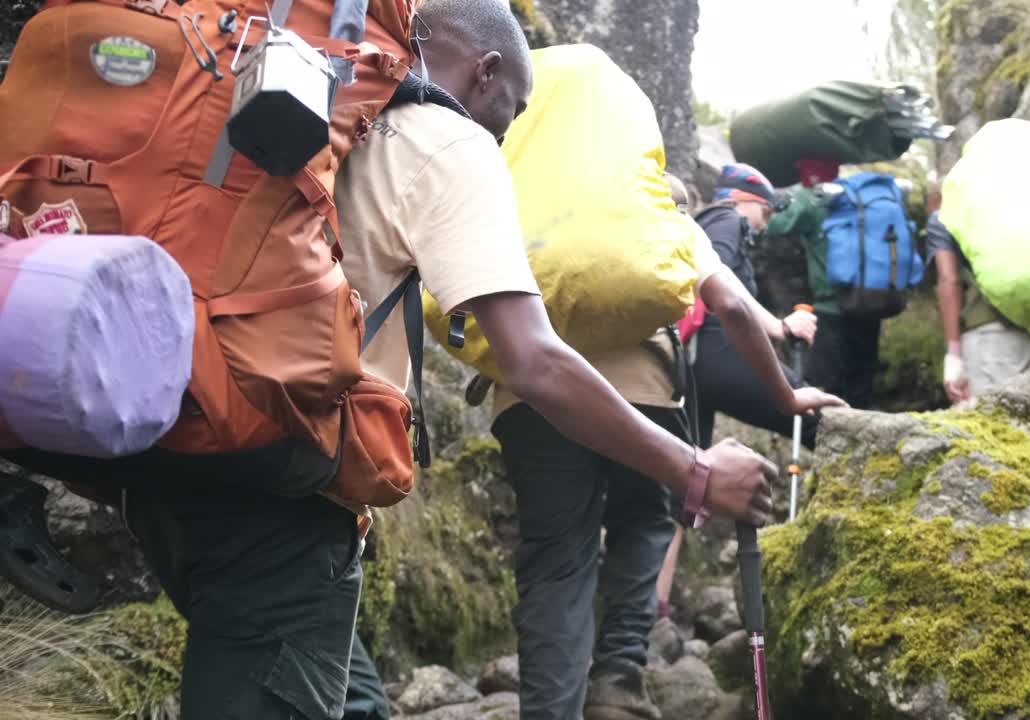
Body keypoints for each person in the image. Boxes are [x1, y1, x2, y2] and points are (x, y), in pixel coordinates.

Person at [335, 4, 779, 717]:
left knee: (556, 555)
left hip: (526, 408)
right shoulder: (651, 210)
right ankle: (619, 682)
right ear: (485, 73)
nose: (502, 133)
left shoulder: (343, 127)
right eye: (505, 113)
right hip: (643, 390)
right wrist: (779, 401)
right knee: (642, 525)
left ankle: (550, 709)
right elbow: (727, 303)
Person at [690, 163, 822, 449]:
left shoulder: (704, 226)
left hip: (694, 365)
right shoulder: (726, 219)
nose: (764, 224)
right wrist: (780, 326)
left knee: (692, 462)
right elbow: (718, 280)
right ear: (741, 198)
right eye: (765, 212)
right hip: (718, 351)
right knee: (824, 422)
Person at [767, 158, 884, 409]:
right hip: (872, 301)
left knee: (827, 387)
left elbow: (773, 225)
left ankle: (832, 442)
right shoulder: (858, 199)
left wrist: (779, 201)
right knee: (861, 384)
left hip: (832, 308)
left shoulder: (812, 200)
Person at [925, 210, 1030, 402]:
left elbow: (949, 279)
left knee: (990, 424)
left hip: (990, 334)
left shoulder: (948, 214)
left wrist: (954, 356)